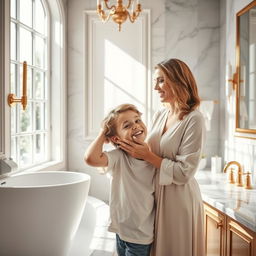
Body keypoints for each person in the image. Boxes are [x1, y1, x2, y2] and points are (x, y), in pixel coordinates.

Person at [118, 58, 206, 256]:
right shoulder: (161, 114)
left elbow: (185, 172)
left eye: (160, 81)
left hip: (178, 199)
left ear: (177, 81)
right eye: (155, 81)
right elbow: (148, 149)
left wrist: (148, 156)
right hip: (154, 194)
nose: (155, 88)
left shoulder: (195, 119)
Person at [84, 104, 155, 256]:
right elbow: (90, 158)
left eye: (137, 120)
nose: (136, 126)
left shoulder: (153, 155)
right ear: (116, 138)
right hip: (121, 230)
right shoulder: (118, 157)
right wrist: (104, 132)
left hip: (140, 235)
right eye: (127, 125)